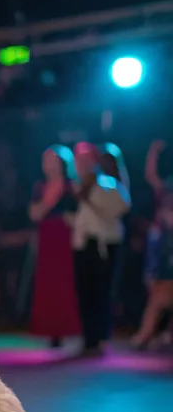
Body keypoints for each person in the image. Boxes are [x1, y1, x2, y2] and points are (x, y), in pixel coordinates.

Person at [71, 142, 131, 355]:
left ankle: (101, 338)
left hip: (103, 245)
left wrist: (90, 200)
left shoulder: (109, 185)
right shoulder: (79, 186)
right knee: (85, 293)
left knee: (101, 292)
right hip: (82, 245)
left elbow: (120, 208)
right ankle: (89, 339)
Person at [28, 146, 80, 346]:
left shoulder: (72, 186)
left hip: (66, 239)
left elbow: (79, 213)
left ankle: (66, 329)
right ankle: (48, 330)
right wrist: (50, 200)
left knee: (65, 282)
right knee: (47, 282)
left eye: (52, 160)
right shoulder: (39, 187)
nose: (48, 165)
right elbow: (34, 214)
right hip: (48, 237)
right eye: (45, 160)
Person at [131, 140, 173, 347]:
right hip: (164, 245)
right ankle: (149, 333)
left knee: (161, 292)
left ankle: (148, 333)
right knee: (157, 289)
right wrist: (153, 152)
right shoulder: (167, 188)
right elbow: (152, 177)